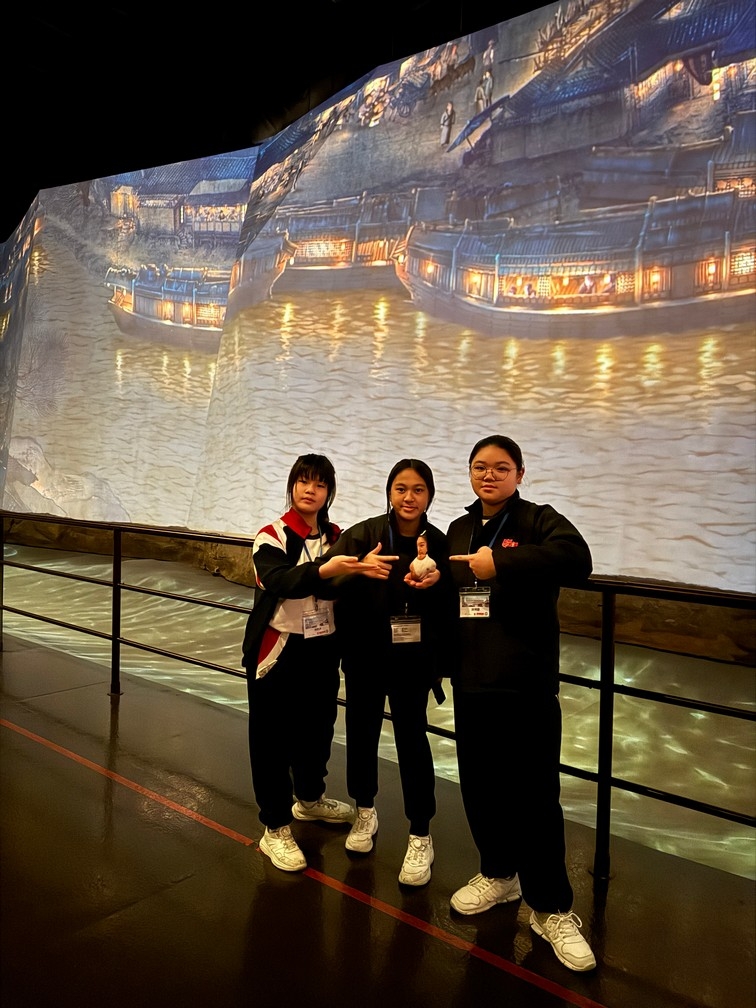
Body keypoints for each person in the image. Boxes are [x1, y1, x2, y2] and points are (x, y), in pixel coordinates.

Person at [446, 435, 597, 973]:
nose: (489, 475)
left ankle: (551, 907)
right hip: (473, 682)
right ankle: (498, 873)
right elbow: (455, 597)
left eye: (501, 467)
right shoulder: (459, 529)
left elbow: (578, 560)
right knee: (480, 786)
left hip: (526, 684)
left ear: (519, 474)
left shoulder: (538, 520)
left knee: (535, 797)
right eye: (480, 467)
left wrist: (501, 565)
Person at [241, 453, 390, 873]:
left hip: (323, 647)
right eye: (303, 481)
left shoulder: (338, 537)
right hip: (278, 648)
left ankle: (309, 799)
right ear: (292, 486)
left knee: (317, 729)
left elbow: (351, 581)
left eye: (320, 484)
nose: (310, 490)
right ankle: (274, 826)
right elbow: (279, 580)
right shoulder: (271, 535)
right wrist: (327, 569)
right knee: (270, 739)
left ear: (329, 492)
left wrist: (364, 571)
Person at [323, 459, 453, 886]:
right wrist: (358, 567)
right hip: (365, 655)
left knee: (412, 740)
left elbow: (453, 603)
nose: (409, 497)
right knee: (361, 733)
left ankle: (421, 833)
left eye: (418, 489)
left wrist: (438, 582)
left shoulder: (438, 542)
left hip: (413, 660)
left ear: (429, 495)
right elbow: (325, 579)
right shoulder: (365, 535)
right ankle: (365, 811)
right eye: (401, 488)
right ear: (389, 492)